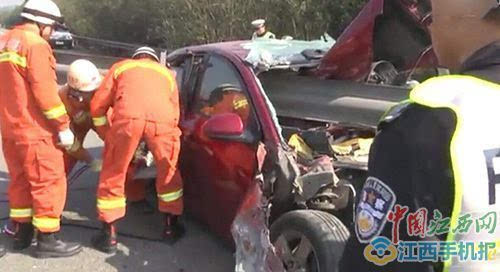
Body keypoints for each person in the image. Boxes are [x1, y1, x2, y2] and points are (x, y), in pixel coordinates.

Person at [340, 0, 500, 271]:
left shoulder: (430, 122)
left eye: (430, 14)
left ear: (465, 14)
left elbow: (382, 259)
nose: (430, 28)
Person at [0, 0, 82, 258]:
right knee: (48, 182)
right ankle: (47, 240)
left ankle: (21, 235)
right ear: (43, 24)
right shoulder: (35, 46)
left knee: (21, 182)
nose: (53, 32)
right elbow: (45, 93)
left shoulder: (4, 41)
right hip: (35, 131)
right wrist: (63, 126)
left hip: (10, 131)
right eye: (53, 27)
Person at [90, 46, 183, 253]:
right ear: (153, 59)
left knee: (113, 173)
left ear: (135, 58)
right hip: (163, 122)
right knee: (169, 172)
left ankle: (109, 236)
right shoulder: (167, 74)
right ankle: (170, 227)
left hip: (127, 120)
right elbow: (175, 112)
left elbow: (97, 107)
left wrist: (108, 135)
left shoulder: (120, 68)